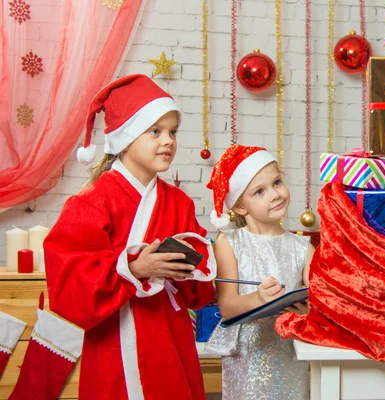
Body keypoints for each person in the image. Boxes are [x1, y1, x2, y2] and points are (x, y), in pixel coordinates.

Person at [44, 74, 217, 400]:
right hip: (116, 339)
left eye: (173, 132)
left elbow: (198, 293)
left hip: (171, 335)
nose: (168, 141)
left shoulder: (179, 202)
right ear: (125, 137)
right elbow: (67, 278)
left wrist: (191, 264)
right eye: (155, 131)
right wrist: (134, 268)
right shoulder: (92, 201)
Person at [205, 145, 313, 400]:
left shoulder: (302, 247)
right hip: (247, 356)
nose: (275, 194)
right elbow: (228, 305)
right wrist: (259, 299)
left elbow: (321, 300)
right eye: (259, 191)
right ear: (241, 206)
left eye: (277, 182)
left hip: (290, 353)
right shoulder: (229, 242)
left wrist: (306, 309)